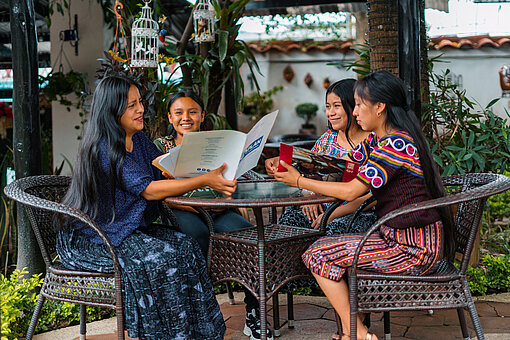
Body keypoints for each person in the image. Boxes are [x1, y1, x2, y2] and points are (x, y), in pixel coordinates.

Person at [274, 71, 455, 340]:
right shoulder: (378, 140)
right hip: (394, 237)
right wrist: (291, 165)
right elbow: (338, 163)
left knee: (317, 255)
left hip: (412, 248)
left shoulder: (395, 144)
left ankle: (357, 334)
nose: (354, 111)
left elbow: (352, 189)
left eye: (358, 104)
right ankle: (353, 332)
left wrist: (299, 179)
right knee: (320, 250)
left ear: (380, 107)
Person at [56, 76, 235, 339]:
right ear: (112, 109)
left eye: (140, 102)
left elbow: (160, 170)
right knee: (162, 258)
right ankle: (166, 334)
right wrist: (205, 179)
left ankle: (201, 333)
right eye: (131, 105)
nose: (141, 109)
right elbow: (149, 190)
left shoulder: (137, 139)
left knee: (186, 246)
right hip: (97, 235)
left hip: (128, 228)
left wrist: (185, 171)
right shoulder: (104, 147)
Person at [154, 90, 273, 340]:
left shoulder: (216, 142)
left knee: (250, 238)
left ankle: (255, 314)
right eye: (179, 113)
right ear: (169, 116)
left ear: (202, 115)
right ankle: (200, 314)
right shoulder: (159, 147)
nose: (186, 118)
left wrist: (229, 196)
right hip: (180, 209)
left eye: (192, 112)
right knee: (196, 236)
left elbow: (229, 180)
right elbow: (157, 191)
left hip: (217, 209)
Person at [266, 79, 376, 235]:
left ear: (355, 106)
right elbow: (309, 172)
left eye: (337, 106)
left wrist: (333, 213)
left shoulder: (373, 141)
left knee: (331, 231)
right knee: (289, 222)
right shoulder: (327, 139)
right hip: (320, 205)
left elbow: (372, 194)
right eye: (328, 107)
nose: (330, 113)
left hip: (357, 212)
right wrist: (311, 197)